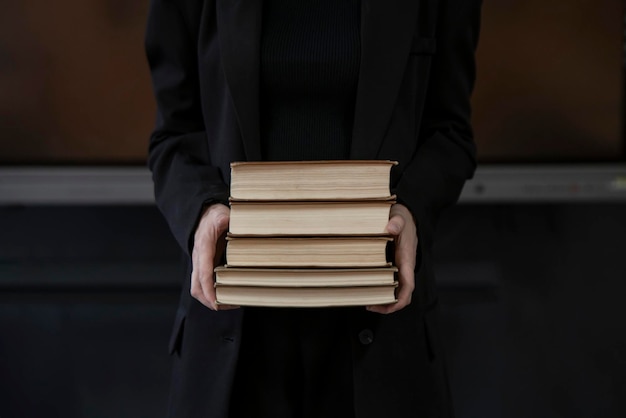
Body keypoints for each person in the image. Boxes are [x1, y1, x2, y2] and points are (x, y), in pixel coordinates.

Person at [145, 0, 481, 417]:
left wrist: (412, 208)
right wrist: (202, 212)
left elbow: (450, 134)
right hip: (231, 330)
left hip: (382, 323)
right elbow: (173, 136)